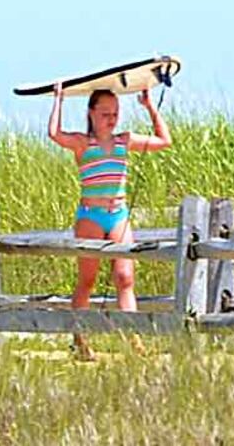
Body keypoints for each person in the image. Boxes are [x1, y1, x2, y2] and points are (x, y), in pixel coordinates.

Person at [48, 82, 172, 360]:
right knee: (88, 280)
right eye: (105, 113)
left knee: (125, 277)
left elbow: (164, 141)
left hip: (118, 215)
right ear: (92, 113)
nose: (112, 118)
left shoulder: (124, 141)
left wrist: (149, 106)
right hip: (90, 216)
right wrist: (59, 98)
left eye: (115, 113)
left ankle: (134, 340)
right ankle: (80, 340)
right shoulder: (83, 143)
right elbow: (54, 134)